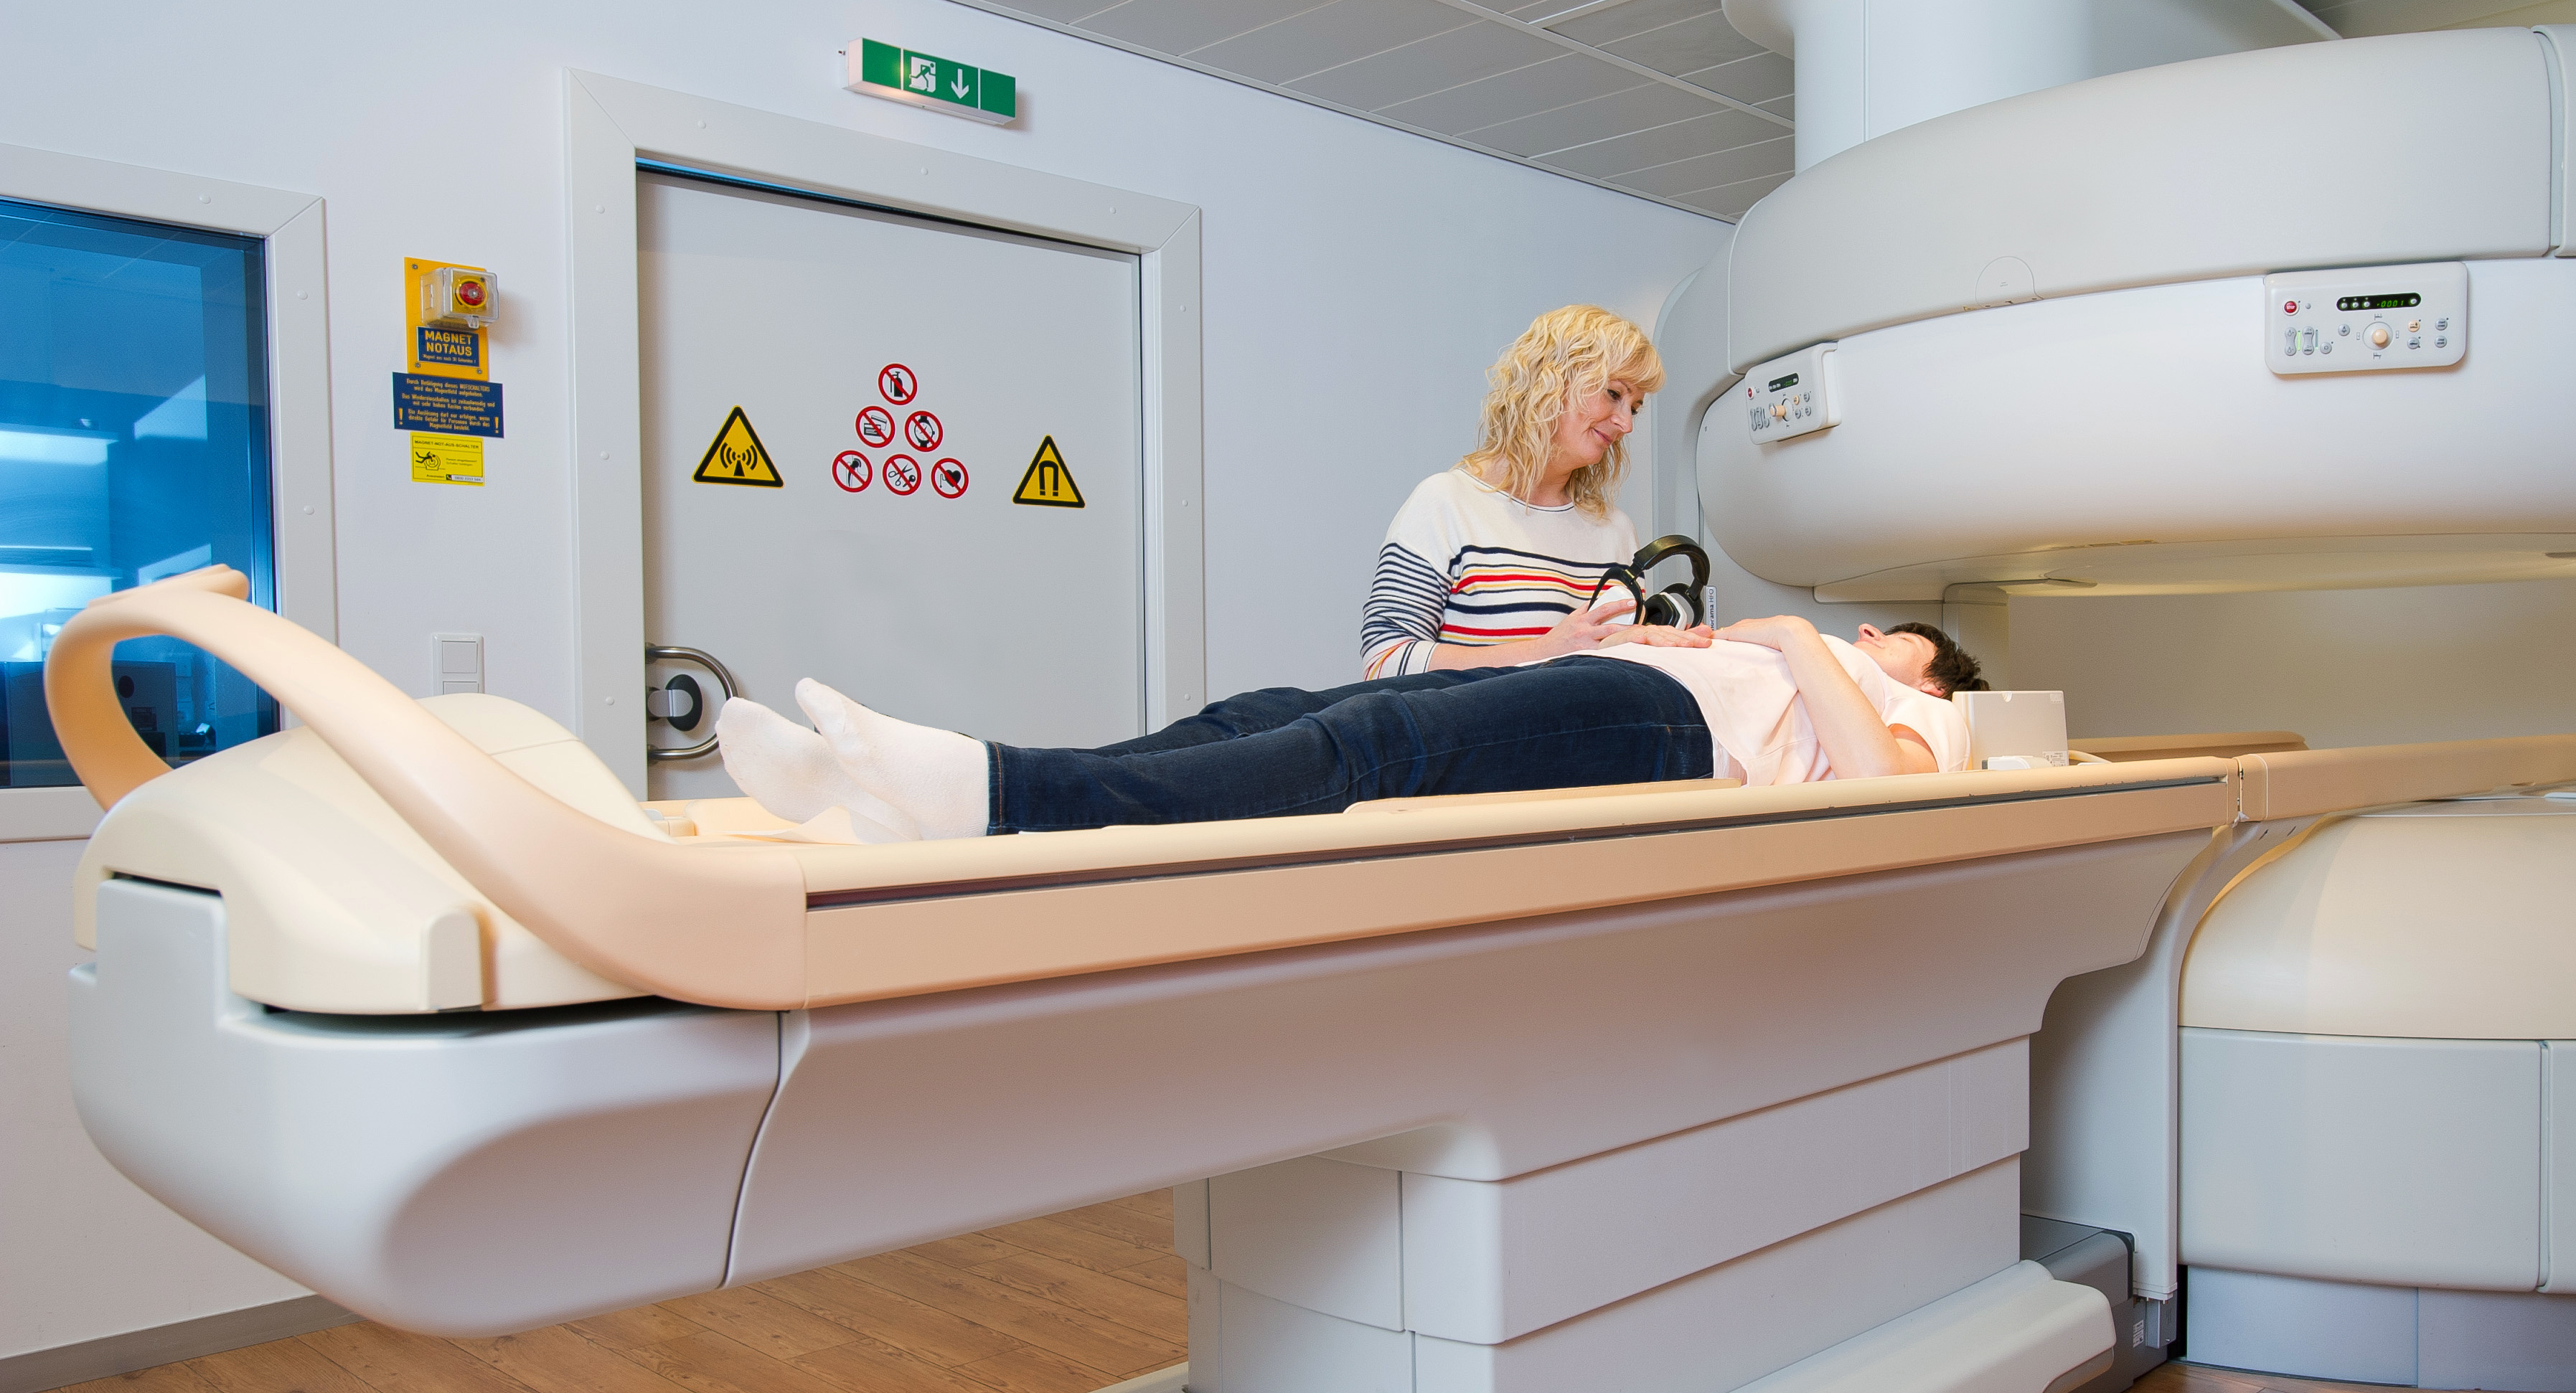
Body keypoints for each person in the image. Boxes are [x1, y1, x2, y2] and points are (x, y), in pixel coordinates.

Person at [716, 617, 1990, 840]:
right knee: (1284, 711)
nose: (1872, 638)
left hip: (1665, 734)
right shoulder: (1811, 654)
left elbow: (1887, 778)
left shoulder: (1933, 717)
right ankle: (897, 792)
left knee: (1375, 749)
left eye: (1898, 644)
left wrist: (1780, 635)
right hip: (1626, 683)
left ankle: (995, 796)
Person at [1361, 305, 1709, 677]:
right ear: (1552, 381)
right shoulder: (1444, 505)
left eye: (1635, 408)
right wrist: (1547, 650)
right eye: (1612, 394)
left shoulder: (1616, 531)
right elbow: (1383, 665)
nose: (1626, 423)